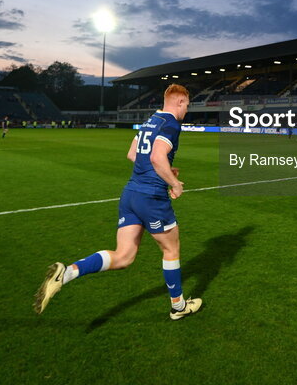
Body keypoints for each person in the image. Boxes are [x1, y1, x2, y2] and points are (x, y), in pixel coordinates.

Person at [33, 84, 202, 320]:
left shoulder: (149, 121)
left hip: (130, 194)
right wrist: (174, 183)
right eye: (187, 105)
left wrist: (163, 170)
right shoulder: (172, 123)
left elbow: (133, 155)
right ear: (181, 101)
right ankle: (178, 307)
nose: (187, 110)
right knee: (171, 248)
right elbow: (156, 156)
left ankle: (68, 273)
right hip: (151, 197)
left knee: (124, 256)